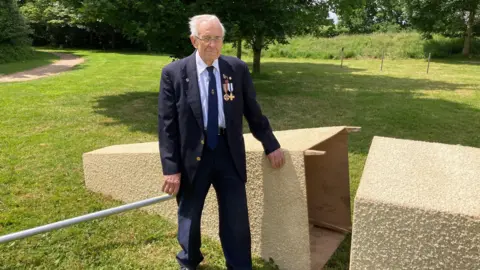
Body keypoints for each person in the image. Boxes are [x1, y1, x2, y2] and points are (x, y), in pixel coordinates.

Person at [157, 14, 285, 270]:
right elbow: (166, 124)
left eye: (218, 39)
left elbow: (253, 110)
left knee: (236, 218)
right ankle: (189, 261)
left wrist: (270, 143)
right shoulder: (174, 73)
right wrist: (171, 168)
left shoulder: (235, 68)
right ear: (194, 40)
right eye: (207, 38)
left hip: (229, 152)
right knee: (189, 217)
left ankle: (239, 266)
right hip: (193, 155)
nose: (213, 44)